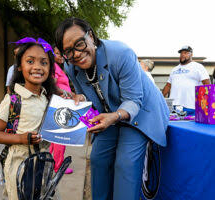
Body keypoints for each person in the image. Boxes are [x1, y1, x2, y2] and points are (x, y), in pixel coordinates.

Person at [55, 17, 169, 200]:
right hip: (110, 115)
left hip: (141, 112)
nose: (76, 54)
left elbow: (133, 100)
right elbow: (88, 96)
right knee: (98, 158)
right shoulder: (70, 66)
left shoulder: (121, 53)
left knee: (125, 162)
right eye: (68, 51)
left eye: (79, 44)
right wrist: (78, 98)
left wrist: (114, 116)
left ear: (91, 36)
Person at [0, 38, 57, 200]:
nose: (37, 67)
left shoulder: (47, 98)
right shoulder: (13, 99)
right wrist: (21, 138)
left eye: (44, 62)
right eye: (30, 61)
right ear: (19, 67)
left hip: (43, 162)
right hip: (19, 163)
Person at [162, 45, 210, 115]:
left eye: (185, 53)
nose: (182, 55)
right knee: (172, 125)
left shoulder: (198, 67)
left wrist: (208, 103)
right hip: (174, 106)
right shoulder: (174, 69)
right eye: (181, 53)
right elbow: (168, 86)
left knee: (190, 125)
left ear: (191, 54)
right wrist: (160, 98)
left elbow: (207, 84)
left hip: (191, 106)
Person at [49, 46, 73, 174]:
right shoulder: (52, 66)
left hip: (63, 103)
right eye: (57, 54)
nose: (61, 56)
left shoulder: (59, 67)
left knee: (55, 137)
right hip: (60, 104)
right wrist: (62, 93)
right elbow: (52, 84)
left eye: (62, 54)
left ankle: (51, 161)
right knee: (60, 137)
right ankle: (58, 167)